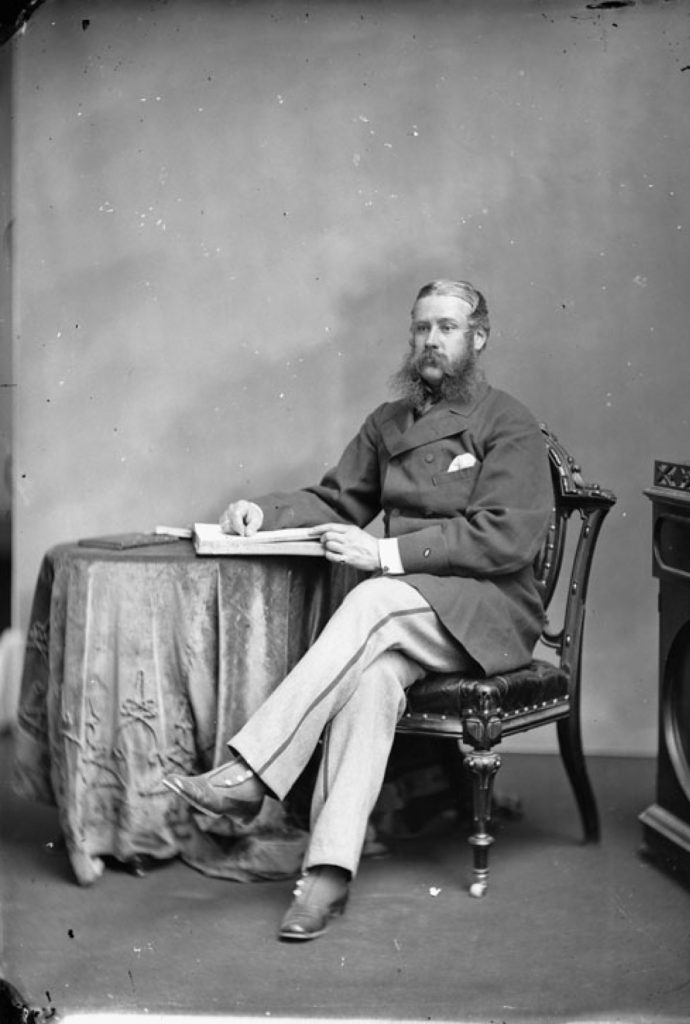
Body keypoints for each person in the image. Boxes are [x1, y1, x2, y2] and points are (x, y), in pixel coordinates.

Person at [164, 279, 552, 941]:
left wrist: (387, 555)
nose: (431, 341)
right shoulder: (387, 423)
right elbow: (337, 500)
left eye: (448, 329)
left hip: (488, 612)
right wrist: (265, 512)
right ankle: (326, 877)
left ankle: (255, 771)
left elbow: (506, 538)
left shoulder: (506, 421)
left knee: (371, 593)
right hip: (410, 614)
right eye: (421, 328)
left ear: (477, 339)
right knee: (369, 686)